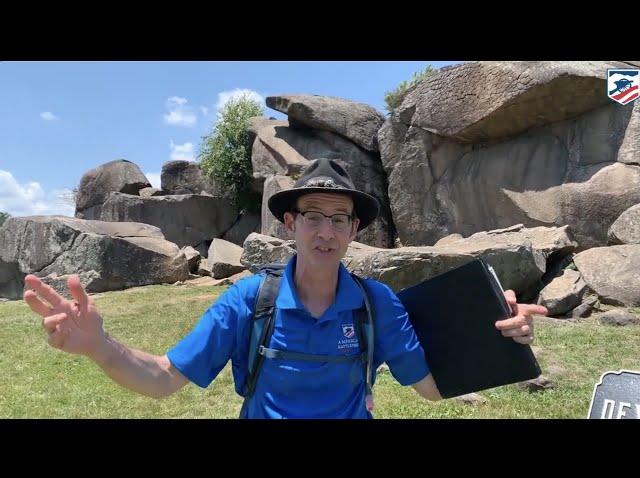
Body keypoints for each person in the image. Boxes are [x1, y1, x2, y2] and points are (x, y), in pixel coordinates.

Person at [23, 158, 548, 419]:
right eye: (314, 217)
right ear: (289, 224)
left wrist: (499, 337)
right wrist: (99, 345)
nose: (326, 231)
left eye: (340, 219)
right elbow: (162, 379)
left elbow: (430, 389)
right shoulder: (249, 300)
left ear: (354, 230)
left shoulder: (375, 303)